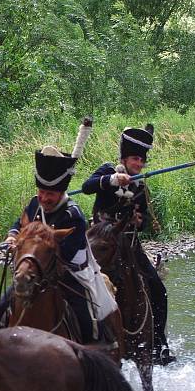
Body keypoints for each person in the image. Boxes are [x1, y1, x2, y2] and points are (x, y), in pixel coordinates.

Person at [81, 125, 175, 363]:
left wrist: (139, 220)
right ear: (124, 158)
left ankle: (158, 343)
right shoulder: (108, 170)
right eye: (135, 159)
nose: (139, 164)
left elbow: (141, 223)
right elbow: (86, 186)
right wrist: (112, 180)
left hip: (130, 247)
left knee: (157, 289)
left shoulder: (140, 185)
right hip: (101, 244)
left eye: (142, 161)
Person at [3, 146, 117, 343]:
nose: (45, 198)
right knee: (3, 304)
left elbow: (66, 254)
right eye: (42, 192)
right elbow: (19, 223)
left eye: (51, 194)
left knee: (86, 316)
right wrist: (14, 236)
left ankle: (94, 350)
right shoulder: (34, 203)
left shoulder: (73, 215)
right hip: (36, 269)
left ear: (61, 193)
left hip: (70, 272)